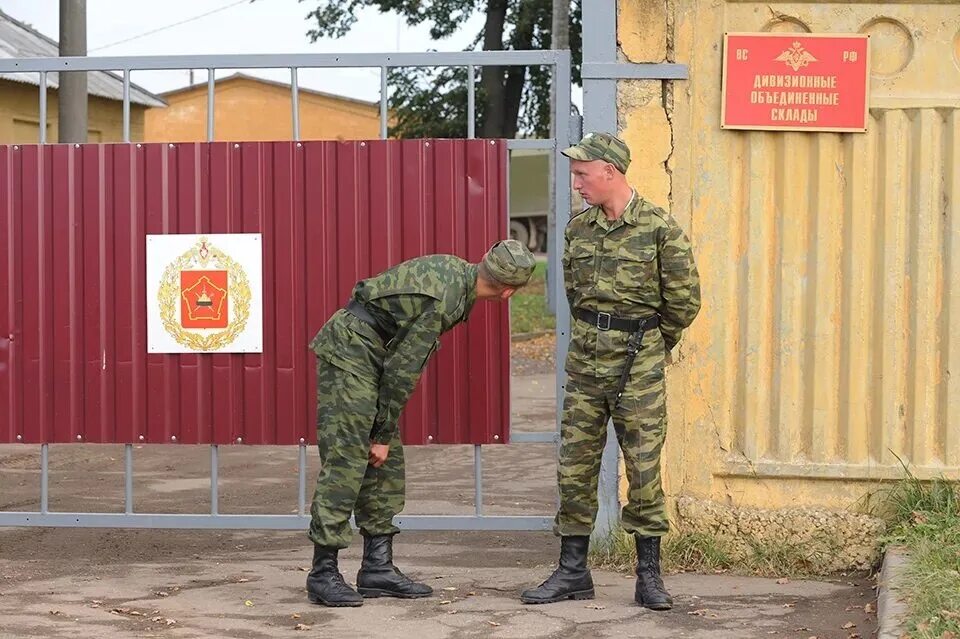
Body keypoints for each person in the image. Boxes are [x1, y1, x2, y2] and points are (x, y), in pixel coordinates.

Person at [520, 132, 701, 610]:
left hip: (637, 359)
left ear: (610, 171)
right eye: (575, 174)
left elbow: (684, 302)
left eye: (582, 174)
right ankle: (572, 571)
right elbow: (576, 295)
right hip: (585, 359)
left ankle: (649, 576)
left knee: (642, 467)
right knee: (575, 463)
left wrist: (651, 343)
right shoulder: (578, 230)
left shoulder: (661, 228)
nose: (576, 183)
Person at [306, 240, 537, 607]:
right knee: (348, 459)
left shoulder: (458, 273)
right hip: (351, 351)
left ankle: (376, 568)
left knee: (387, 461)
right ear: (508, 292)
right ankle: (323, 572)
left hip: (371, 351)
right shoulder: (444, 299)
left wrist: (383, 434)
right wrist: (380, 433)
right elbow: (403, 369)